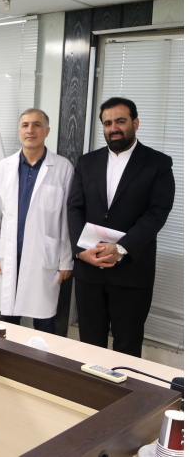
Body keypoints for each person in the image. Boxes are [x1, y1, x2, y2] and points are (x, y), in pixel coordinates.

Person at [68, 97, 175, 357]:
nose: (113, 128)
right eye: (107, 123)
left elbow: (157, 213)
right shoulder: (87, 162)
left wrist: (121, 248)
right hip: (89, 270)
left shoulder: (158, 163)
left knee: (127, 347)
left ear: (135, 123)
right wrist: (80, 251)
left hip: (132, 271)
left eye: (120, 121)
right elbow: (75, 208)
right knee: (89, 346)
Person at [0, 109, 73, 334]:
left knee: (44, 321)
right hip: (10, 254)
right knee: (8, 318)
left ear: (47, 131)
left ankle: (41, 358)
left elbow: (67, 219)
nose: (30, 130)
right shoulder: (4, 167)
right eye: (25, 125)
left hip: (44, 256)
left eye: (36, 125)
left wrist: (66, 261)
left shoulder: (62, 168)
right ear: (19, 130)